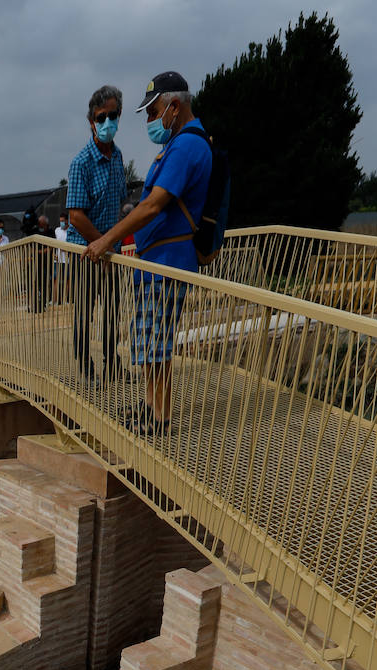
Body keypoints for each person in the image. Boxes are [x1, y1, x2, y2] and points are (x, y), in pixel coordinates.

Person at [85, 71, 212, 433]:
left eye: (153, 111)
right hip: (156, 259)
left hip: (169, 260)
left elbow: (154, 205)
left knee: (157, 344)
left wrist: (107, 239)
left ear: (174, 106)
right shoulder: (177, 144)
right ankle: (151, 405)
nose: (150, 119)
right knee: (148, 341)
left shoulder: (187, 146)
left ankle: (161, 417)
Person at [65, 83, 127, 387]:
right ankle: (87, 368)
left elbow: (118, 203)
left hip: (110, 250)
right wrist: (99, 244)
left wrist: (110, 245)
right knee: (85, 314)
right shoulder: (81, 163)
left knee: (113, 311)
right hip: (86, 252)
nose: (107, 122)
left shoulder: (117, 157)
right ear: (91, 121)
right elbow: (75, 215)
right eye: (101, 117)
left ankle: (113, 364)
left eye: (112, 115)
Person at [54, 212, 69, 302]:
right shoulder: (57, 230)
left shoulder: (71, 230)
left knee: (67, 280)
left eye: (63, 221)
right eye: (60, 221)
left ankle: (66, 300)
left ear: (67, 221)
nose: (61, 223)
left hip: (68, 260)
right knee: (56, 279)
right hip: (58, 259)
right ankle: (55, 300)